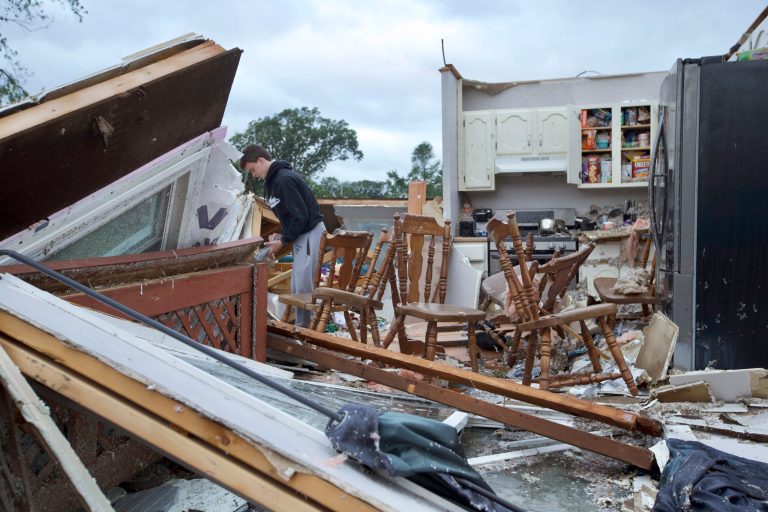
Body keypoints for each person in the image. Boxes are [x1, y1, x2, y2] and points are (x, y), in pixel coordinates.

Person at [240, 144, 324, 327]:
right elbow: (293, 216)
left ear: (260, 160)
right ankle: (301, 328)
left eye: (253, 169)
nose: (253, 175)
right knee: (297, 285)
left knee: (303, 285)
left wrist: (284, 240)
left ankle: (305, 332)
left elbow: (301, 216)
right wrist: (282, 234)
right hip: (302, 234)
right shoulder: (274, 182)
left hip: (309, 232)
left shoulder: (284, 180)